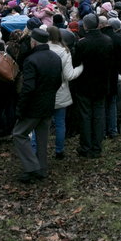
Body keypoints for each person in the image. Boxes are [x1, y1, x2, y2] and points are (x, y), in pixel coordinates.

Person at [12, 27, 62, 183]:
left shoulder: (31, 60)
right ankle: (42, 168)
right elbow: (58, 81)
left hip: (33, 106)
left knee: (18, 134)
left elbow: (28, 88)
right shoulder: (55, 57)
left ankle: (32, 166)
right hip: (48, 103)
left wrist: (21, 108)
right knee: (42, 138)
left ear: (33, 42)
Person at [72, 14, 114, 158]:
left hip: (85, 83)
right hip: (101, 83)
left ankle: (86, 146)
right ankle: (97, 147)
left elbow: (76, 62)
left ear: (85, 26)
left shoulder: (83, 43)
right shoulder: (107, 41)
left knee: (85, 115)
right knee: (98, 115)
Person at [47, 26, 83, 159]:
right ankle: (59, 151)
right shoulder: (64, 52)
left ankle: (37, 151)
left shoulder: (41, 49)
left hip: (44, 92)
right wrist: (80, 67)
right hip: (60, 91)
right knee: (60, 122)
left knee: (41, 123)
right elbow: (69, 75)